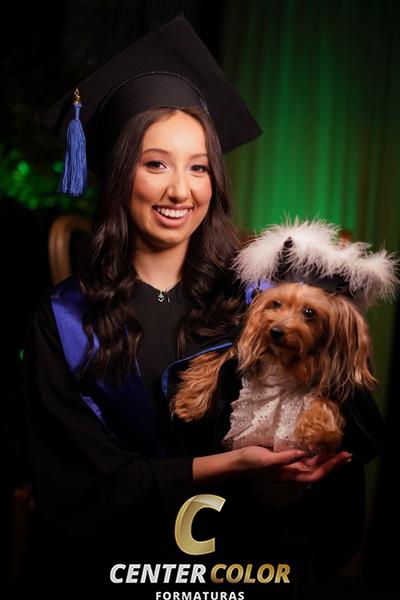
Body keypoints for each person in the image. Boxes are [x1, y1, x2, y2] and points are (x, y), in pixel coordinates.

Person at [23, 15, 383, 594]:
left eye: (199, 167)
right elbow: (72, 484)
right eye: (155, 164)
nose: (181, 191)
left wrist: (303, 471)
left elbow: (344, 415)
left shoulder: (259, 297)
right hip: (119, 568)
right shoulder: (66, 318)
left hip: (242, 563)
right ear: (118, 175)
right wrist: (231, 465)